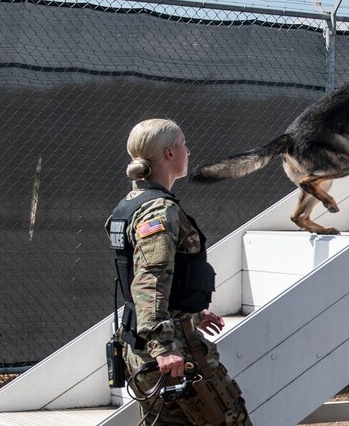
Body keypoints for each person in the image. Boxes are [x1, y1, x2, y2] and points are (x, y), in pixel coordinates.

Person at [106, 119, 251, 425]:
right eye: (183, 144)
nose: (188, 150)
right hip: (170, 352)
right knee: (230, 417)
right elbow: (149, 279)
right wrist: (165, 347)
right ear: (169, 154)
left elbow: (159, 277)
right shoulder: (159, 210)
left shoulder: (130, 205)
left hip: (145, 343)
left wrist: (193, 314)